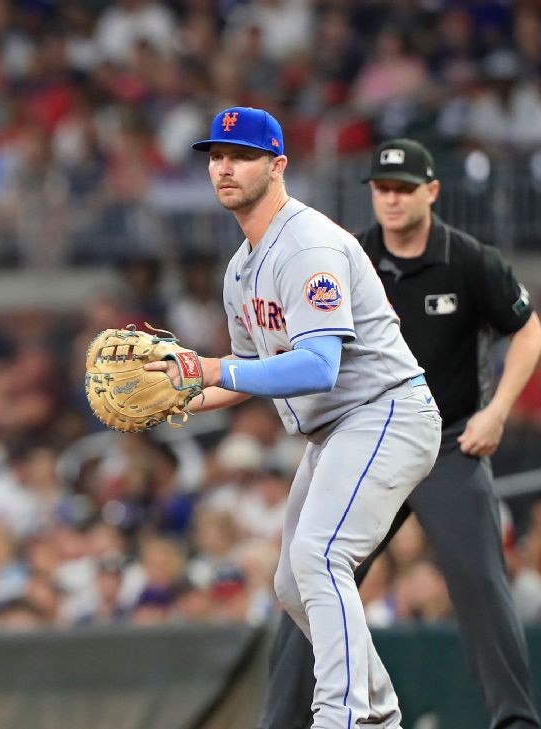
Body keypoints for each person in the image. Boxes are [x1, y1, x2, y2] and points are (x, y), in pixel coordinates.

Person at [150, 107, 441, 728]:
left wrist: (209, 369)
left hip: (385, 411)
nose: (225, 167)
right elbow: (248, 369)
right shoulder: (240, 268)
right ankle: (381, 714)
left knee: (318, 555)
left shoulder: (305, 243)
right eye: (216, 156)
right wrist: (174, 398)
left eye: (242, 155)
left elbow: (317, 367)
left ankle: (339, 717)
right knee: (291, 584)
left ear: (277, 165)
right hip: (338, 428)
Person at [258, 138, 541, 729]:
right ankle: (280, 722)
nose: (390, 199)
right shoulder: (349, 255)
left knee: (481, 583)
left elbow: (529, 328)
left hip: (451, 445)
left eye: (403, 188)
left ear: (431, 192)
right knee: (311, 579)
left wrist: (498, 411)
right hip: (367, 438)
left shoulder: (467, 259)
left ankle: (515, 722)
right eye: (381, 188)